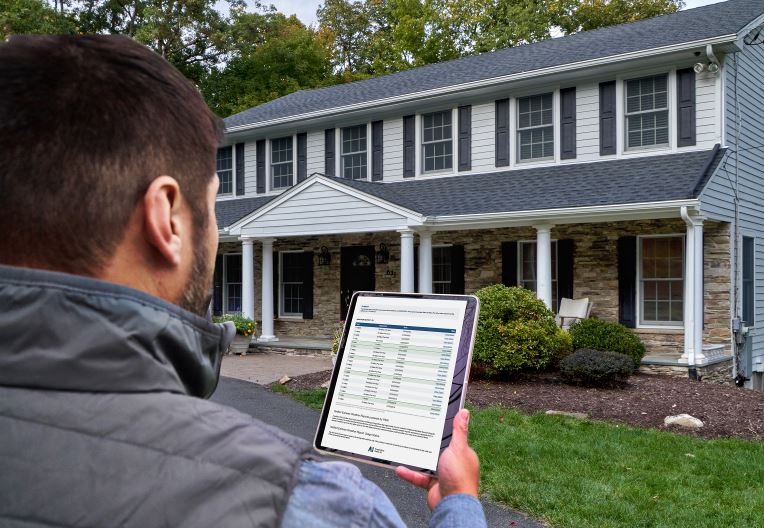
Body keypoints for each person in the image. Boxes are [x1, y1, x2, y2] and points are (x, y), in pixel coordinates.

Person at [0, 35, 487, 528]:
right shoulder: (308, 504)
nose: (214, 231)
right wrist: (460, 502)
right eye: (210, 206)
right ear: (166, 219)